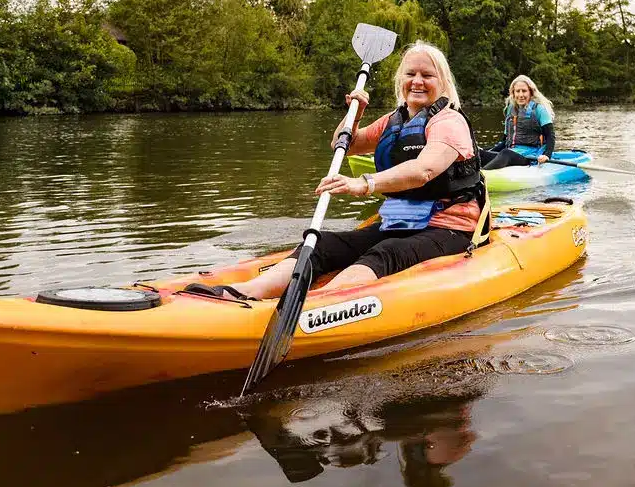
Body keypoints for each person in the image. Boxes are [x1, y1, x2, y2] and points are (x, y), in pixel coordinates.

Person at [185, 41, 488, 301]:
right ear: (401, 80)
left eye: (427, 75)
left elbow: (423, 170)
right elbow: (345, 144)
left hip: (449, 228)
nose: (417, 81)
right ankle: (244, 293)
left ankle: (316, 307)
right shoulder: (394, 120)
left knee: (384, 254)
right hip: (401, 221)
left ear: (442, 82)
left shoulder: (449, 122)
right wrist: (354, 116)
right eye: (410, 74)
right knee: (322, 244)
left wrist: (364, 184)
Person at [479, 75, 557, 170]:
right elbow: (505, 141)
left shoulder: (539, 109)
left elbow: (550, 136)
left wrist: (546, 155)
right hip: (511, 152)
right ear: (513, 93)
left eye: (524, 91)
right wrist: (488, 151)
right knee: (479, 153)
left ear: (530, 92)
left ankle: (481, 178)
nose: (520, 95)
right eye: (517, 91)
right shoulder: (510, 110)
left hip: (530, 156)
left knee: (505, 153)